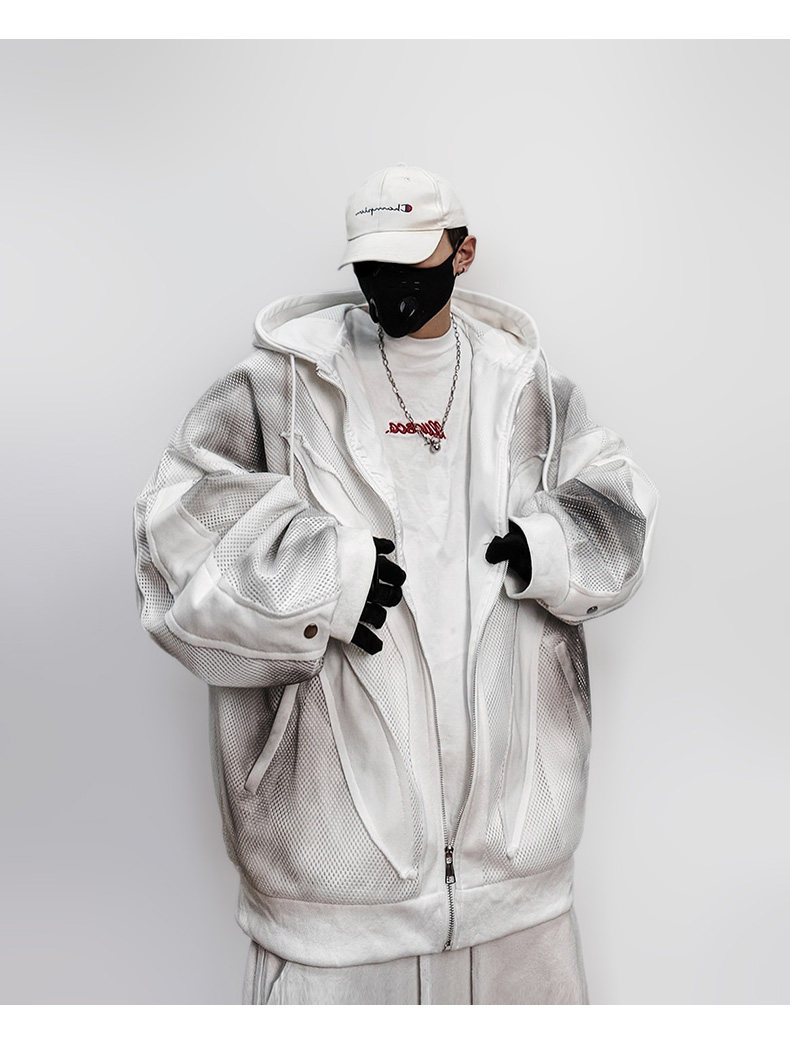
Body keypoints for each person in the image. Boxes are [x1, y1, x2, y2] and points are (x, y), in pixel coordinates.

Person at [132, 162, 660, 1005]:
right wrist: (323, 577)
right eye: (373, 265)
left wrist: (550, 547)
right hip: (331, 891)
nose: (390, 286)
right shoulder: (280, 384)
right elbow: (173, 538)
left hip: (518, 883)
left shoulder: (528, 387)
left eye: (412, 263)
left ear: (462, 253)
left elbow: (620, 516)